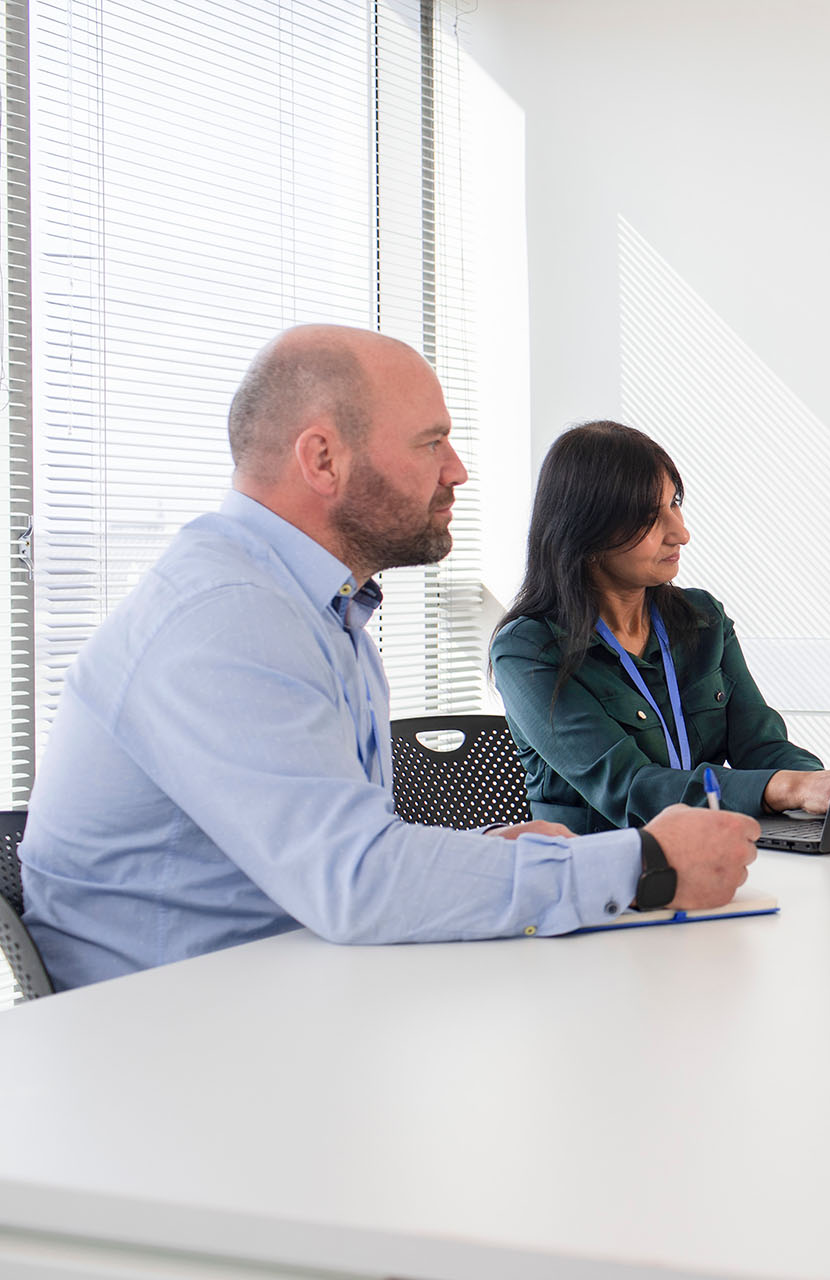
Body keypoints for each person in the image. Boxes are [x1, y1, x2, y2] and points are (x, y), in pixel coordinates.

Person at [20, 326, 761, 991]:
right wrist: (641, 865)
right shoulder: (226, 618)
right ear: (323, 459)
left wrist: (485, 855)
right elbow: (356, 882)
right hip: (172, 1040)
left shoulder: (317, 610)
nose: (457, 471)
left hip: (279, 994)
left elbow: (333, 853)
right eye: (430, 443)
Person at [490, 421, 830, 832]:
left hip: (707, 850)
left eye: (675, 503)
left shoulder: (703, 619)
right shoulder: (528, 649)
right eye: (651, 517)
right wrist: (791, 788)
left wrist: (827, 787)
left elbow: (762, 746)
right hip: (597, 863)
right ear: (586, 533)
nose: (681, 533)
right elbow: (629, 787)